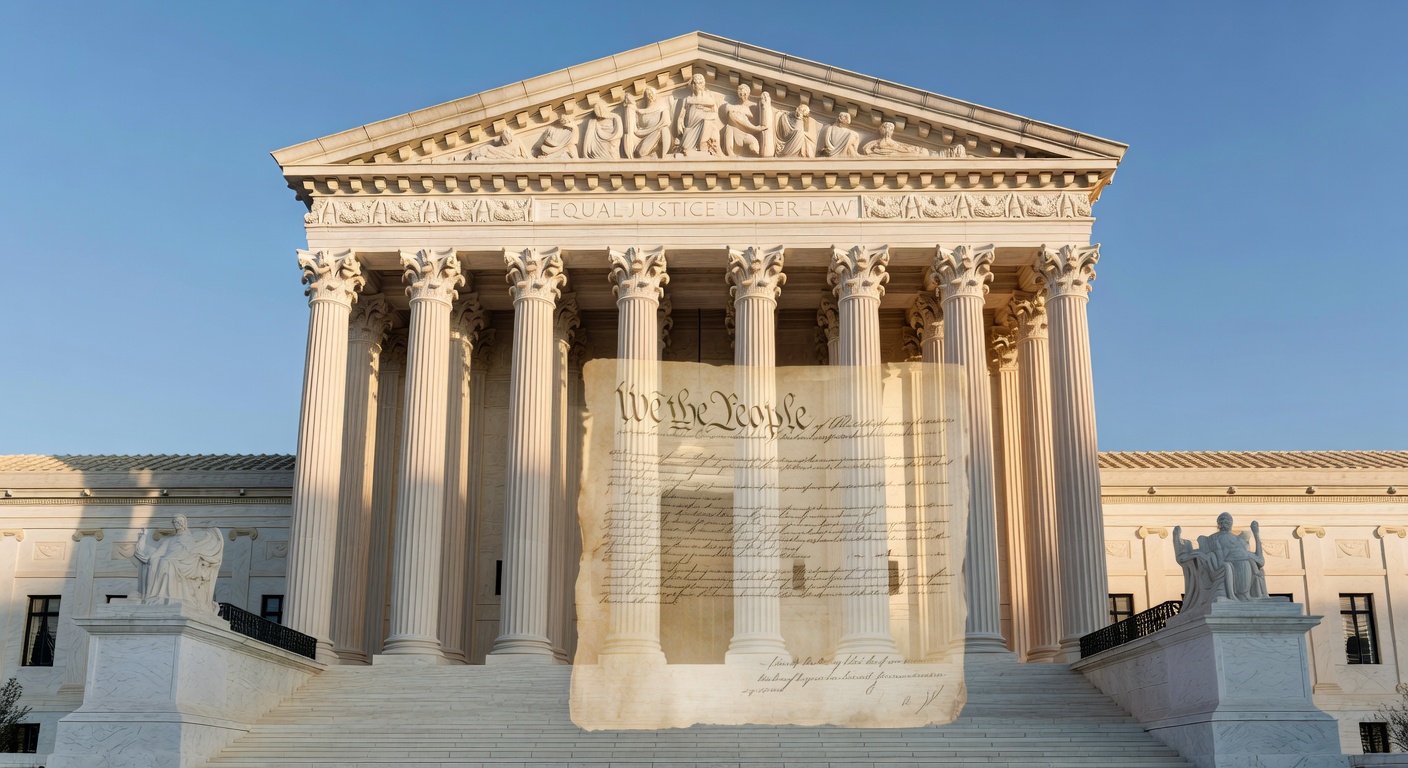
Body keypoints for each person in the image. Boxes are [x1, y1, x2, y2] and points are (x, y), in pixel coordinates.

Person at [133, 514, 224, 612]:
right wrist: (150, 558)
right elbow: (160, 552)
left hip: (185, 563)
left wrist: (178, 558)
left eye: (180, 522)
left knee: (167, 563)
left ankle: (166, 595)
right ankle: (155, 596)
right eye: (175, 522)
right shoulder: (170, 540)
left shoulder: (189, 539)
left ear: (184, 524)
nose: (178, 524)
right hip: (171, 559)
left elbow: (191, 552)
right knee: (157, 561)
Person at [1204, 512, 1267, 600]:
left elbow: (1260, 559)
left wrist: (1256, 534)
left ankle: (1257, 596)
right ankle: (1243, 595)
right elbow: (1216, 556)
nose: (1225, 521)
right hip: (1232, 561)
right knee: (1248, 562)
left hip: (1245, 559)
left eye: (1228, 519)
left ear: (1231, 523)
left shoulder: (1239, 539)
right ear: (1218, 523)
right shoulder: (1214, 538)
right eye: (1222, 519)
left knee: (1258, 566)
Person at [675, 73, 722, 155]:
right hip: (691, 125)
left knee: (706, 121)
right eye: (695, 83)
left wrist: (704, 110)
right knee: (685, 147)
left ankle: (702, 143)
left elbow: (715, 113)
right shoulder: (687, 99)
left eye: (700, 83)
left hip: (703, 122)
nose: (697, 86)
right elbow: (681, 115)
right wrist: (679, 123)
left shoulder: (709, 98)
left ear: (703, 84)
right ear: (692, 85)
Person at [625, 87, 671, 159]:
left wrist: (658, 129)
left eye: (652, 94)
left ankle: (660, 154)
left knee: (664, 129)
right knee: (640, 152)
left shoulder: (662, 107)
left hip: (658, 132)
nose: (650, 96)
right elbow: (635, 129)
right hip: (643, 135)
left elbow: (667, 122)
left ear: (655, 95)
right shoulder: (639, 112)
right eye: (648, 94)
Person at [722, 84, 763, 156]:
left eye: (745, 94)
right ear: (738, 94)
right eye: (740, 94)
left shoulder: (747, 110)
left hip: (744, 134)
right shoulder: (731, 108)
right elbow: (736, 120)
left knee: (753, 144)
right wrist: (756, 128)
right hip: (734, 131)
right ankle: (730, 151)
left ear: (748, 95)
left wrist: (756, 128)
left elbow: (746, 123)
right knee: (729, 128)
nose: (742, 96)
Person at [862, 121, 932, 157]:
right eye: (885, 127)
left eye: (890, 128)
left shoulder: (907, 150)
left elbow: (900, 148)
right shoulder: (874, 143)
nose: (888, 129)